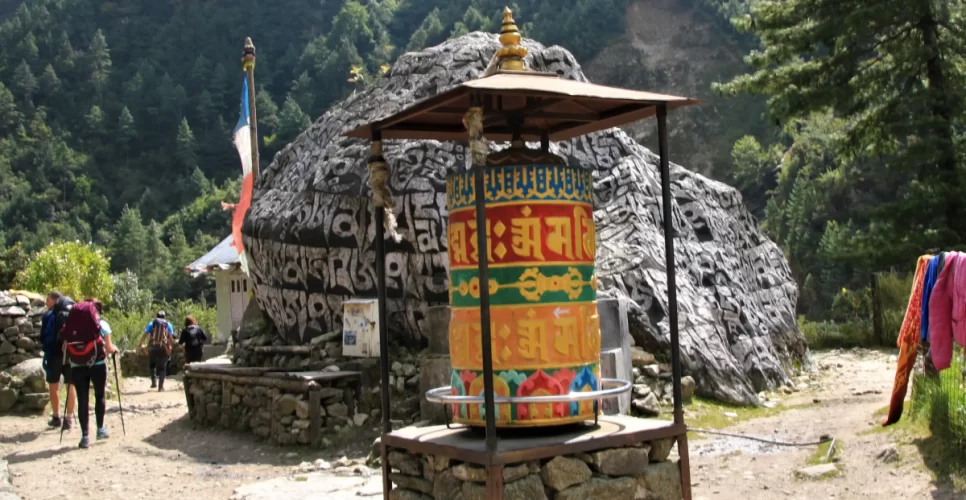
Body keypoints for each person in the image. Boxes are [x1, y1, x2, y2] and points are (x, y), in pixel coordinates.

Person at [70, 299, 117, 449]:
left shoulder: (73, 324)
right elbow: (109, 348)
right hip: (97, 364)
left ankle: (85, 436)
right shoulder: (102, 325)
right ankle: (100, 429)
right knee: (99, 395)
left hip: (77, 365)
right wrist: (114, 350)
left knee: (82, 398)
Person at [40, 291, 76, 431]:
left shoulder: (49, 315)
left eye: (48, 300)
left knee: (53, 385)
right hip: (70, 354)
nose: (46, 302)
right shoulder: (73, 314)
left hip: (54, 355)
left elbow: (43, 337)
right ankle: (69, 419)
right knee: (70, 385)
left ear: (55, 300)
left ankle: (56, 417)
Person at [137, 311, 174, 391]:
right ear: (164, 317)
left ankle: (153, 382)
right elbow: (171, 338)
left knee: (152, 364)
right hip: (163, 347)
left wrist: (140, 345)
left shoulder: (152, 323)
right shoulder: (168, 324)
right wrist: (170, 347)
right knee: (162, 367)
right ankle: (161, 387)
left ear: (156, 316)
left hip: (152, 347)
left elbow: (145, 334)